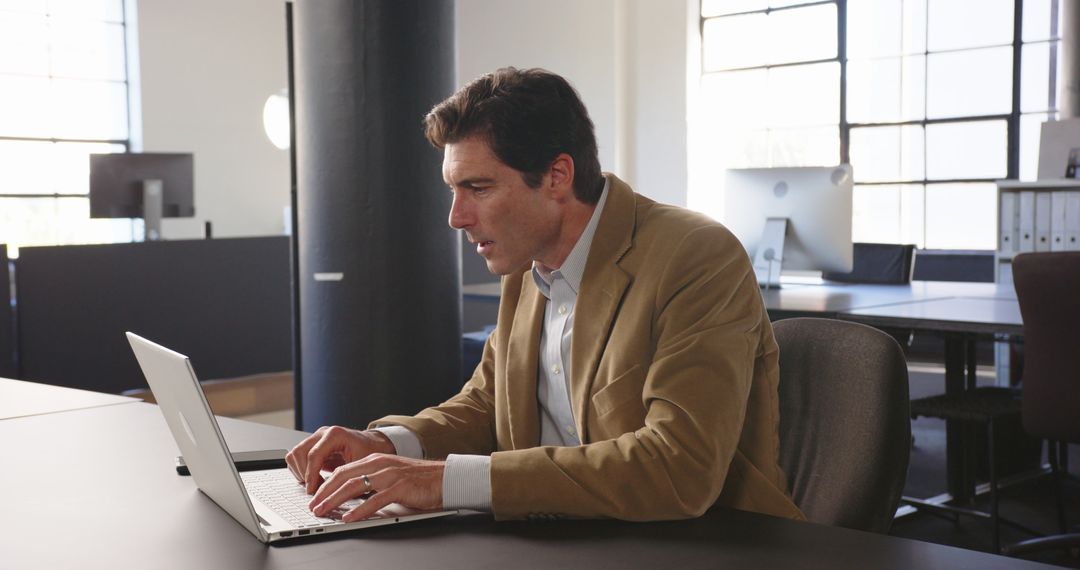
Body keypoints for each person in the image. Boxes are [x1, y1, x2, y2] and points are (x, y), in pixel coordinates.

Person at [285, 67, 804, 523]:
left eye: (479, 188)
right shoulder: (527, 264)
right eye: (453, 189)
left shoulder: (695, 256)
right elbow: (488, 403)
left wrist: (446, 480)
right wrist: (387, 444)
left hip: (708, 544)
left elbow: (678, 467)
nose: (456, 217)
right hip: (561, 537)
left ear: (557, 176)